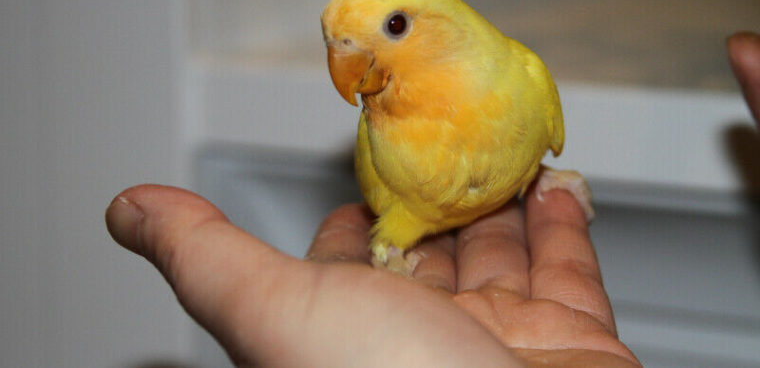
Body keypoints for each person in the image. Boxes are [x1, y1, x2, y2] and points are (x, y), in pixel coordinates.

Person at [105, 32, 760, 367]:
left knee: (545, 180)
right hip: (416, 222)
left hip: (514, 188)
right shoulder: (380, 133)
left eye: (392, 27)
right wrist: (389, 270)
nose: (350, 59)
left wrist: (541, 177)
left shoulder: (527, 79)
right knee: (385, 245)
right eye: (338, 39)